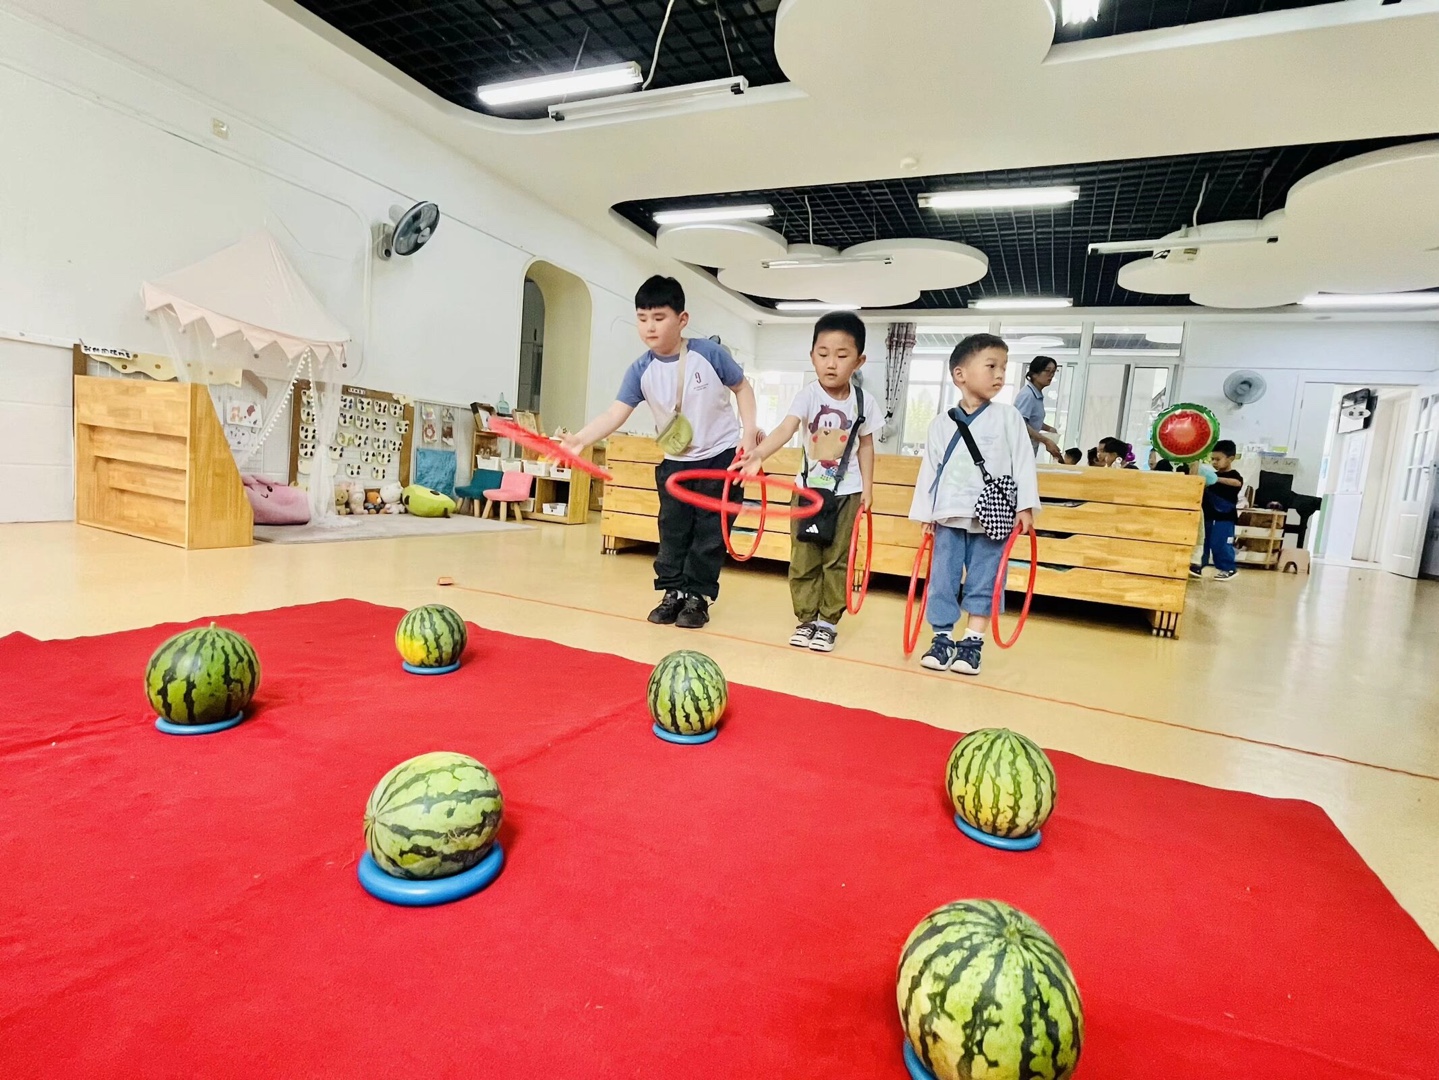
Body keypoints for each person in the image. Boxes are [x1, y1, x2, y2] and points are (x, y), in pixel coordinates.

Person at [562, 275, 757, 628]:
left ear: (682, 320)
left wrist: (749, 434)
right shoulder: (641, 369)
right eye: (642, 318)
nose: (649, 326)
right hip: (675, 463)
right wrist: (580, 439)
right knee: (672, 531)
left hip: (720, 458)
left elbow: (743, 388)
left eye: (659, 317)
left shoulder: (709, 354)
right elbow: (614, 413)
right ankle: (673, 592)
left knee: (709, 534)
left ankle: (697, 597)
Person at [736, 312, 876, 653]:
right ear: (812, 356)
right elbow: (786, 429)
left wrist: (868, 490)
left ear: (859, 361)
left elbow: (867, 446)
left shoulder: (864, 402)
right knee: (804, 557)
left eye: (842, 355)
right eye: (823, 354)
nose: (831, 363)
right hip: (807, 491)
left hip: (846, 493)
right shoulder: (808, 395)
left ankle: (827, 622)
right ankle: (806, 619)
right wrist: (758, 454)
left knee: (837, 558)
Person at [909, 333, 1039, 677]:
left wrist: (1025, 507)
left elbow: (1023, 462)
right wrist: (926, 513)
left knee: (987, 578)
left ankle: (972, 643)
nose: (1000, 374)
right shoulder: (941, 423)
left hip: (994, 515)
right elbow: (930, 470)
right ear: (960, 374)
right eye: (991, 366)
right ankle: (941, 639)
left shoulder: (1009, 417)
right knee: (942, 578)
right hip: (949, 513)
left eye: (1004, 367)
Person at [1195, 439, 1244, 582]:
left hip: (1224, 519)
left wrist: (1216, 479)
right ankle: (1198, 565)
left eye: (1218, 459)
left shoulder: (1233, 475)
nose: (1214, 462)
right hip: (1208, 517)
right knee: (1203, 543)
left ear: (1230, 459)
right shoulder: (1212, 477)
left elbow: (1237, 483)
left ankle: (1228, 568)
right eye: (1212, 459)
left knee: (1220, 544)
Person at [1014, 356, 1063, 461]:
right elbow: (1021, 423)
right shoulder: (1028, 395)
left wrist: (1049, 429)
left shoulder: (1036, 395)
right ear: (1034, 374)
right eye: (1047, 371)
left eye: (1053, 372)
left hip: (1028, 450)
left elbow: (1033, 420)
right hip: (1020, 451)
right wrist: (1046, 441)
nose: (1051, 375)